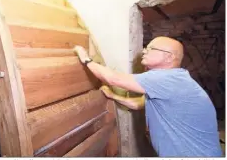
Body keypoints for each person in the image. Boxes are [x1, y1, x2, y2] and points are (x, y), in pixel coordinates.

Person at [73, 36, 222, 157]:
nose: (144, 51)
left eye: (150, 48)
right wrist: (113, 96)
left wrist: (86, 59)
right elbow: (140, 104)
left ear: (169, 57)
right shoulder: (176, 79)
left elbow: (113, 79)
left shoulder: (165, 78)